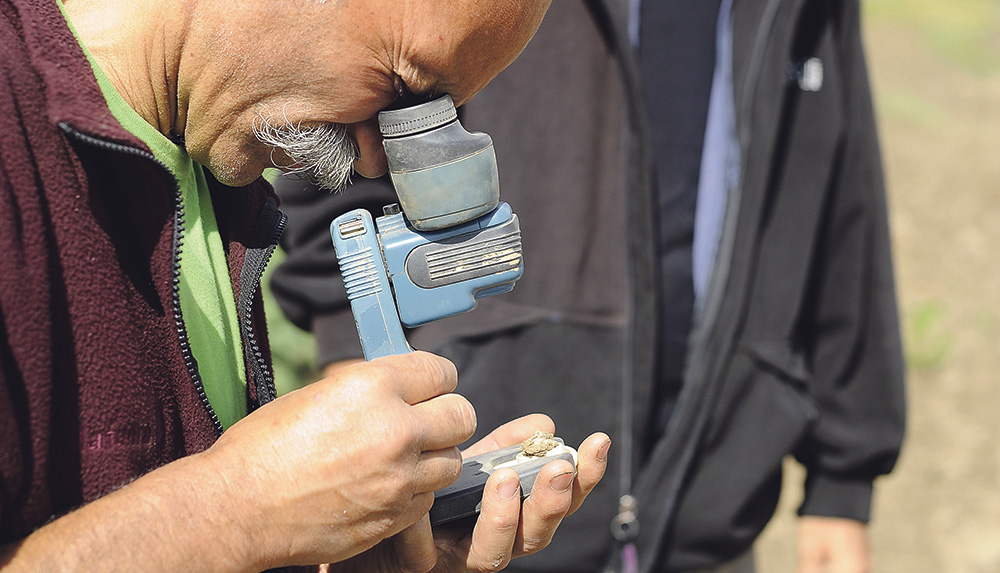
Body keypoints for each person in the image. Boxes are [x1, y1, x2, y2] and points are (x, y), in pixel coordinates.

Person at [271, 1, 906, 572]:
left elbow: (844, 195)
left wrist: (842, 483)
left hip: (711, 498)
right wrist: (355, 358)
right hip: (477, 498)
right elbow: (361, 88)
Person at [0, 0, 613, 571]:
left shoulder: (218, 168)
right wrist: (243, 507)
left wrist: (330, 543)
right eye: (402, 88)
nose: (375, 162)